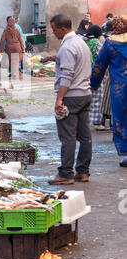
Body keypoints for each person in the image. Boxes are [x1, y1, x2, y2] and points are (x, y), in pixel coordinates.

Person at [49, 14, 92, 185]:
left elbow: (67, 76)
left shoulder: (67, 47)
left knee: (68, 136)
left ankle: (66, 173)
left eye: (54, 30)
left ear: (62, 29)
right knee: (84, 135)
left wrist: (59, 99)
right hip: (85, 94)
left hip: (72, 96)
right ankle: (83, 172)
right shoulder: (82, 43)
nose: (54, 33)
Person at [91, 15, 127, 167]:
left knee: (121, 118)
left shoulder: (110, 43)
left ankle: (126, 155)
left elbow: (99, 66)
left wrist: (93, 84)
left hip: (120, 89)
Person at [83, 25, 105, 130]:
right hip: (94, 74)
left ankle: (85, 121)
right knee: (97, 98)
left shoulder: (82, 41)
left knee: (86, 98)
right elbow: (101, 58)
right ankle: (97, 123)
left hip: (82, 74)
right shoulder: (96, 43)